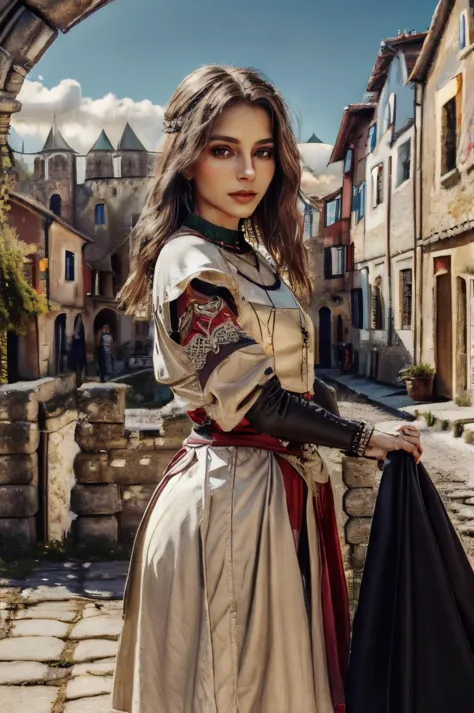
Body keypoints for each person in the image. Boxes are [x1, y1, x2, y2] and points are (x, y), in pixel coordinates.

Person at [113, 65, 423, 713]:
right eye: (224, 150)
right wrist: (367, 437)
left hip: (276, 491)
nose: (248, 172)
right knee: (235, 684)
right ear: (188, 157)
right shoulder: (188, 261)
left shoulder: (255, 258)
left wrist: (347, 425)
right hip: (229, 503)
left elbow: (296, 381)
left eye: (261, 153)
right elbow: (254, 400)